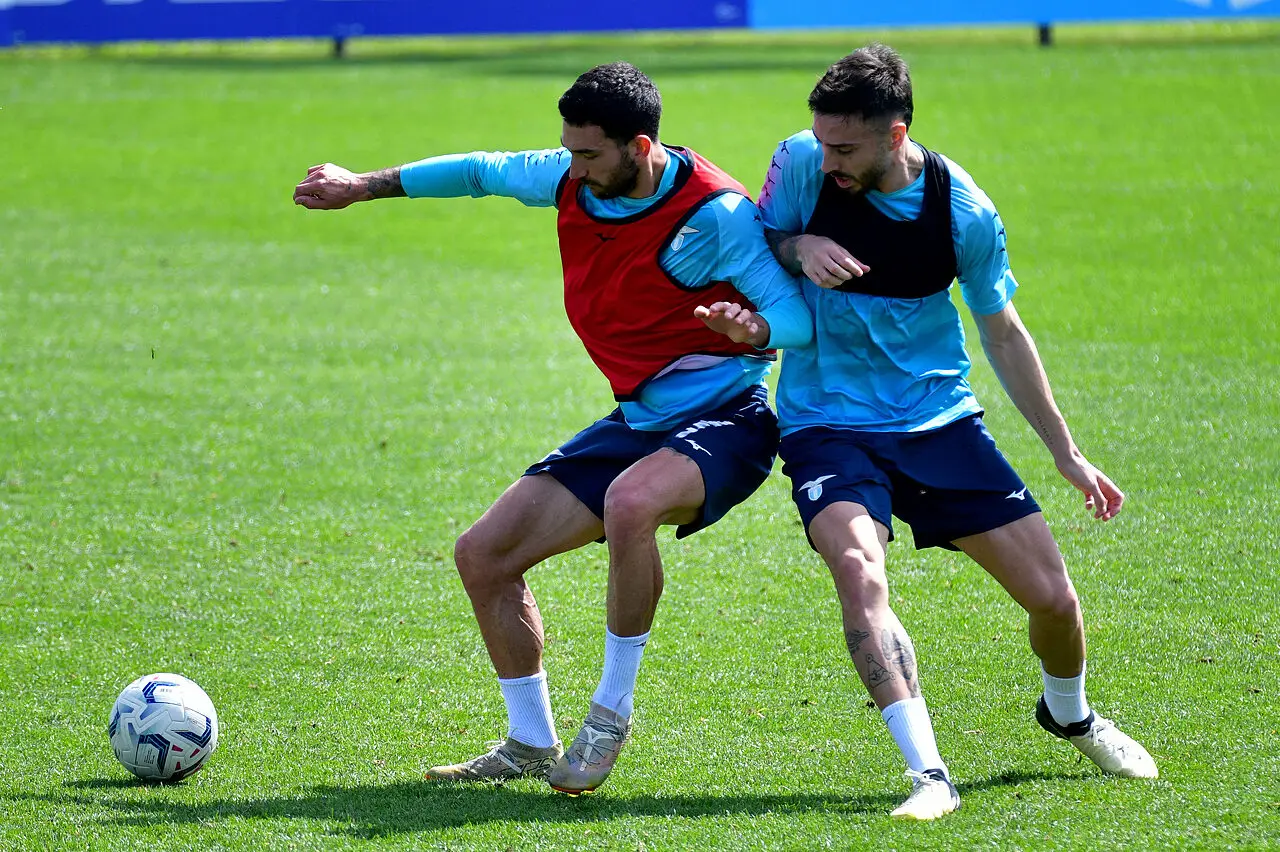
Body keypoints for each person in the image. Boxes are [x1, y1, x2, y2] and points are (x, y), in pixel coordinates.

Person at [292, 62, 811, 795]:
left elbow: (794, 317)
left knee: (630, 504)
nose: (574, 167)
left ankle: (609, 716)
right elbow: (481, 171)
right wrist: (360, 186)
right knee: (483, 555)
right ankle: (529, 742)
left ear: (640, 146)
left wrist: (755, 323)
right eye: (568, 151)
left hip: (728, 418)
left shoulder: (712, 216)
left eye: (589, 154)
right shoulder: (573, 180)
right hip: (640, 420)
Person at [712, 43, 1157, 820]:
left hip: (937, 420)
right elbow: (760, 241)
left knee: (1054, 601)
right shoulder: (801, 164)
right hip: (829, 423)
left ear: (897, 132)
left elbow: (1004, 332)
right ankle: (929, 775)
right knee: (859, 569)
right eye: (822, 141)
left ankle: (1071, 713)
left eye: (845, 147)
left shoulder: (964, 214)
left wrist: (1067, 451)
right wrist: (799, 244)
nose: (828, 159)